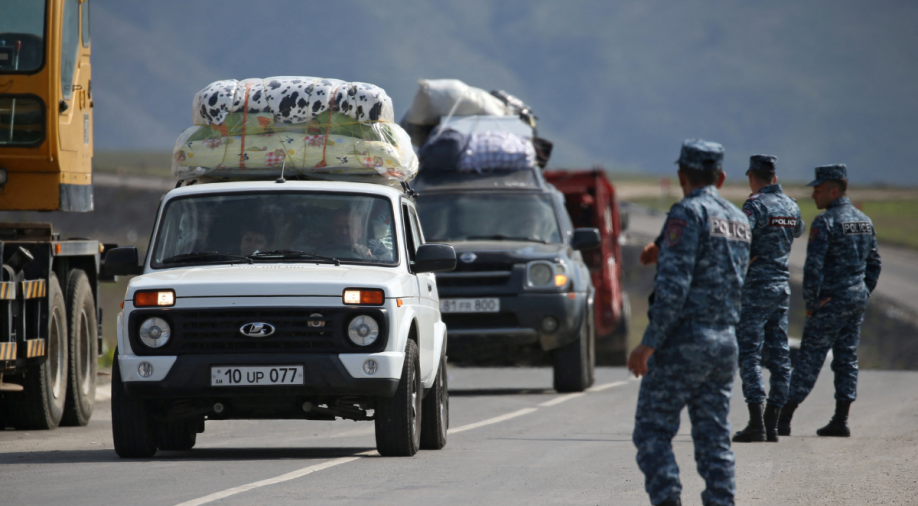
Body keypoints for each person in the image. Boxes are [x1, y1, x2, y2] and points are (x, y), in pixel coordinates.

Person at [629, 139, 750, 506]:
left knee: (652, 431)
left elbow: (674, 289)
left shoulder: (686, 214)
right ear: (722, 177)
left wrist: (647, 343)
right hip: (725, 342)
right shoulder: (739, 219)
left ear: (681, 175)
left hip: (686, 340)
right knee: (714, 438)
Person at [778, 164, 881, 438]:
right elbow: (875, 264)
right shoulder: (864, 221)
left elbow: (813, 269)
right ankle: (841, 418)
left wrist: (812, 303)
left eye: (818, 189)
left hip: (830, 301)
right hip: (855, 300)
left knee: (810, 357)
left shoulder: (826, 223)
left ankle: (783, 417)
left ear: (834, 190)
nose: (814, 195)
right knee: (847, 357)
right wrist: (862, 291)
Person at [732, 155, 804, 443]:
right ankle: (772, 423)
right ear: (774, 177)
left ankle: (755, 422)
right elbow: (797, 230)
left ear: (752, 177)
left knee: (749, 352)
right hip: (781, 287)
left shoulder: (755, 205)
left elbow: (739, 239)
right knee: (779, 354)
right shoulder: (791, 205)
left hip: (756, 288)